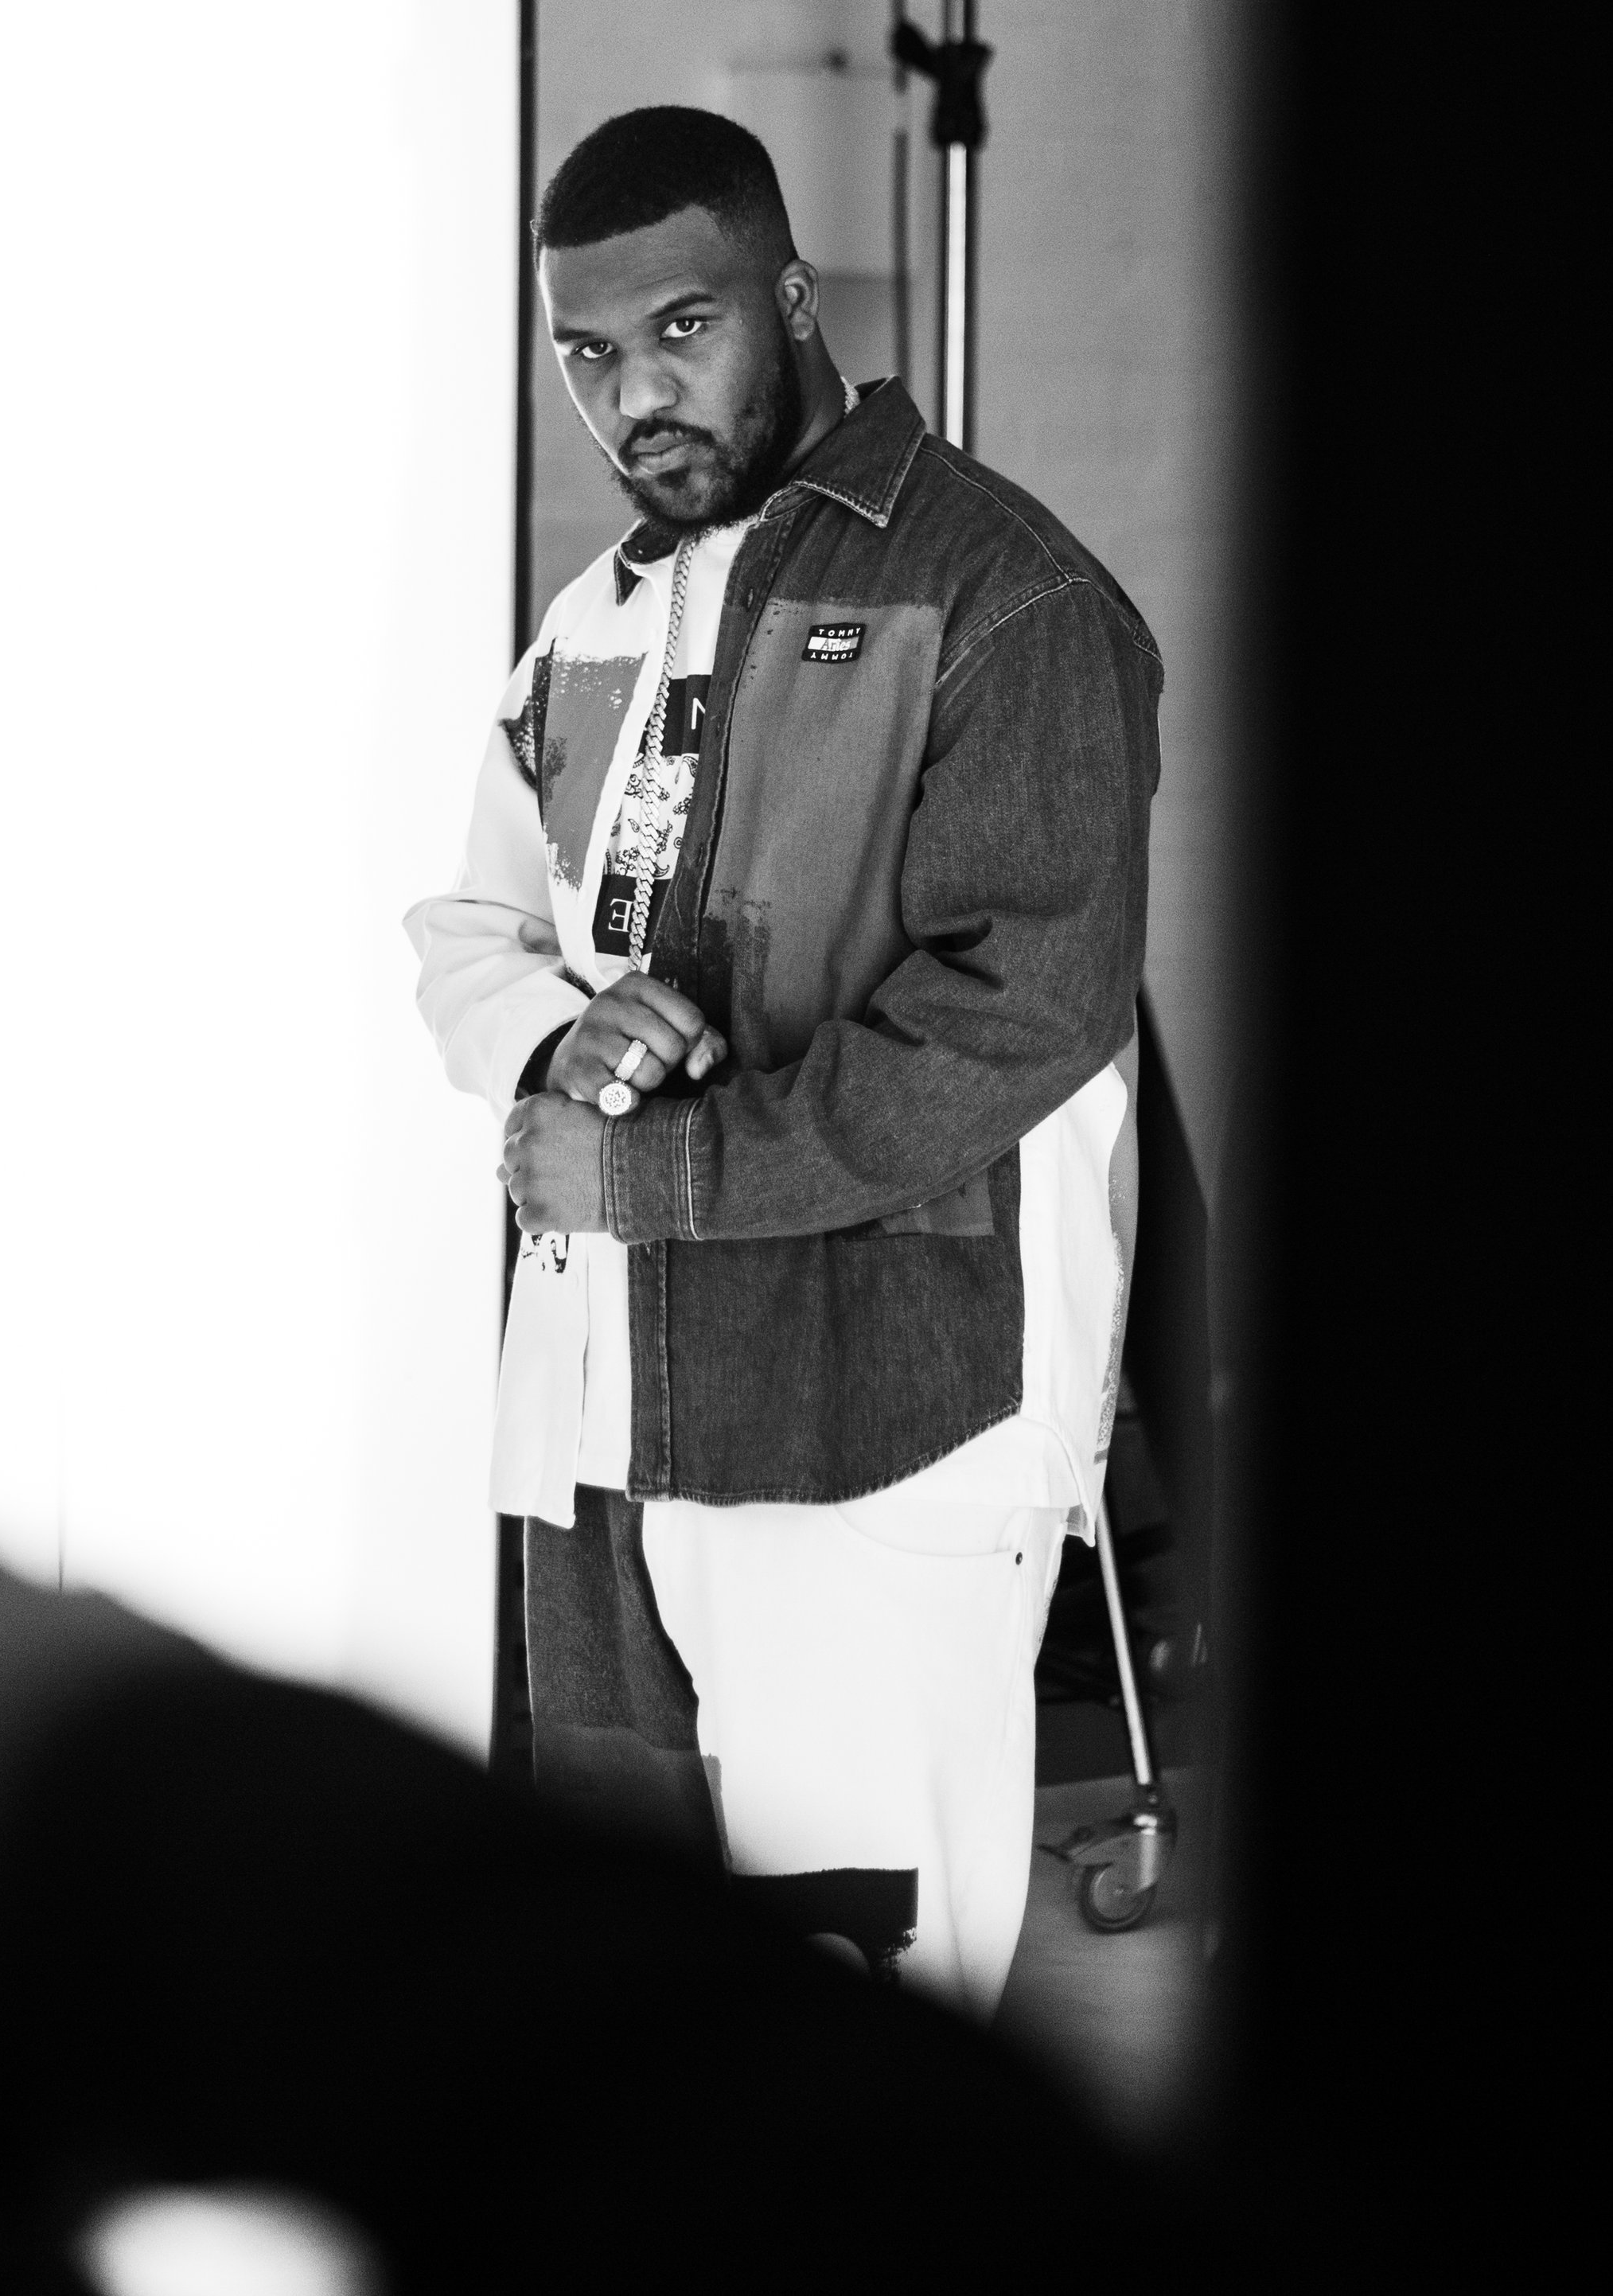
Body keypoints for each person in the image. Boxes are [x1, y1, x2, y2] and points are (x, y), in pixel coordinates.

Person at [405, 105, 1163, 2014]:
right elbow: (470, 934)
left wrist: (650, 1167)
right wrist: (561, 1040)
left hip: (881, 1428)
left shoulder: (1006, 599)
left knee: (869, 2025)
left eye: (679, 328)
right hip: (597, 1419)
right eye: (584, 352)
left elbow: (1021, 1013)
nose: (628, 393)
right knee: (643, 2023)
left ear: (792, 296)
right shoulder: (594, 619)